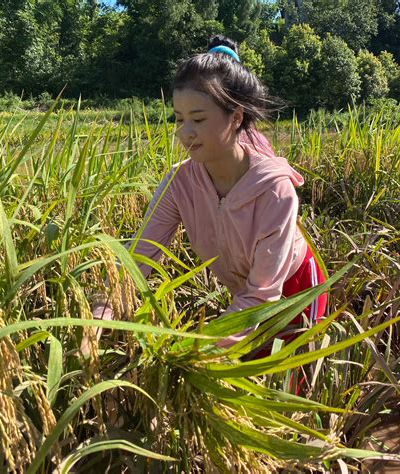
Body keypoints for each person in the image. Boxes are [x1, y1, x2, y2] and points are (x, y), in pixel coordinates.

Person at [82, 44, 327, 355]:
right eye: (178, 119)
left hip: (295, 288)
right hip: (245, 290)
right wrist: (98, 317)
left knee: (288, 381)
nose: (185, 133)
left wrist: (197, 350)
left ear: (236, 118)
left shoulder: (275, 191)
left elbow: (262, 295)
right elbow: (138, 257)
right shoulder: (178, 182)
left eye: (197, 119)